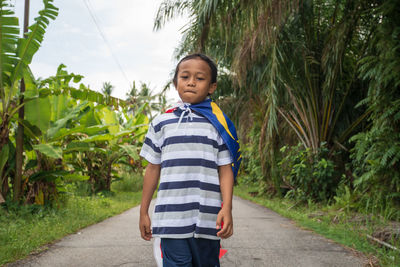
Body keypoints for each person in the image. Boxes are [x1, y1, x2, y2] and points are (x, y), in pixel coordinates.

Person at [139, 53, 241, 267]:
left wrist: (227, 208)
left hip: (208, 218)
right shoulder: (161, 123)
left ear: (212, 87)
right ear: (176, 83)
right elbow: (152, 169)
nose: (191, 82)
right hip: (170, 217)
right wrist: (143, 211)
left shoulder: (218, 125)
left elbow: (225, 170)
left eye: (200, 78)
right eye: (185, 77)